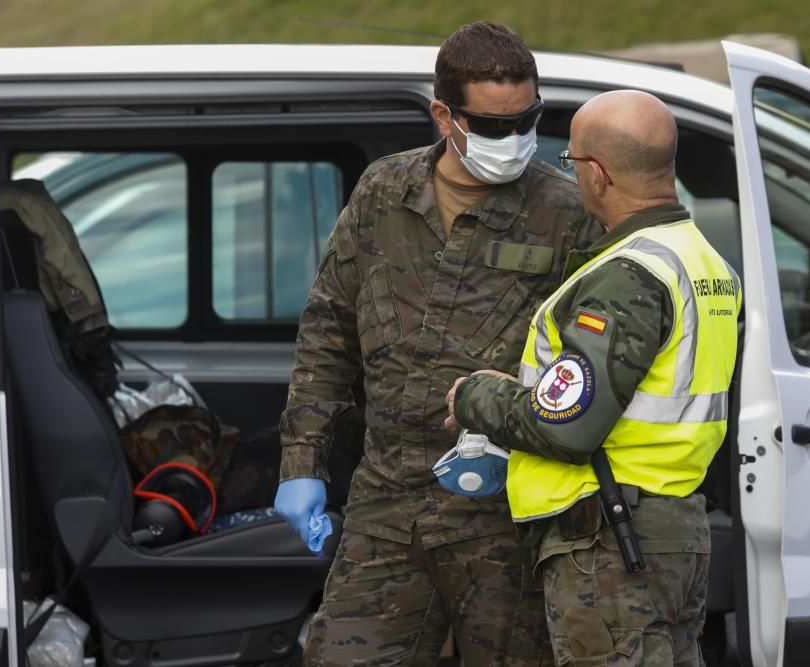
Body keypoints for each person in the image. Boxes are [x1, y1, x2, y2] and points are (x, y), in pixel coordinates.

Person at [274, 21, 601, 666]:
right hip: (388, 496)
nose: (513, 140)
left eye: (527, 119)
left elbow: (590, 368)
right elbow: (328, 329)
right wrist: (302, 464)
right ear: (443, 116)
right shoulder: (384, 192)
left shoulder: (567, 213)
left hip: (505, 508)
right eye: (492, 125)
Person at [446, 90, 741, 665]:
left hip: (611, 538)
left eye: (571, 163)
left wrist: (477, 396)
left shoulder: (628, 275)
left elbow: (568, 426)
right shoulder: (704, 262)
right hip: (671, 525)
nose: (573, 176)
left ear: (599, 175)